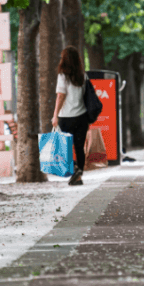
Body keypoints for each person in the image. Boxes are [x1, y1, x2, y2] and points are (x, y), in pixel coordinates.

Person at [51, 46, 89, 186]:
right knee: (79, 148)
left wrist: (55, 115)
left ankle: (75, 170)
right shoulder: (83, 76)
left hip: (66, 117)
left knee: (64, 147)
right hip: (82, 117)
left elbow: (60, 96)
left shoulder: (62, 76)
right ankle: (78, 177)